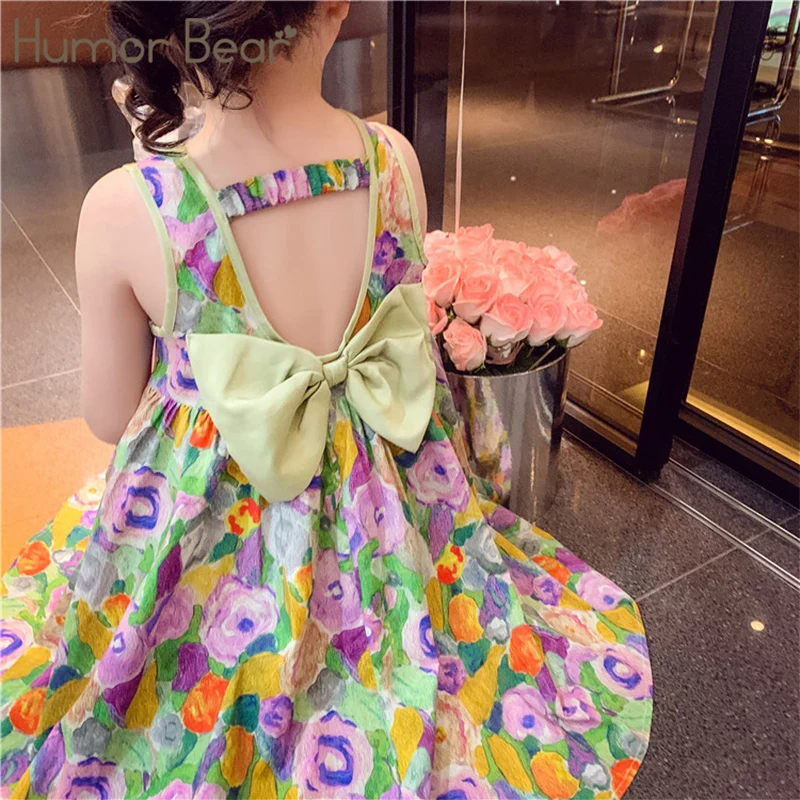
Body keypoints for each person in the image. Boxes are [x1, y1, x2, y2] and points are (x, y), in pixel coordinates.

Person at [0, 3, 652, 798]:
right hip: (386, 513)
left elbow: (109, 417)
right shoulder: (393, 159)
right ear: (336, 6)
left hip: (218, 535)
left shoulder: (126, 205)